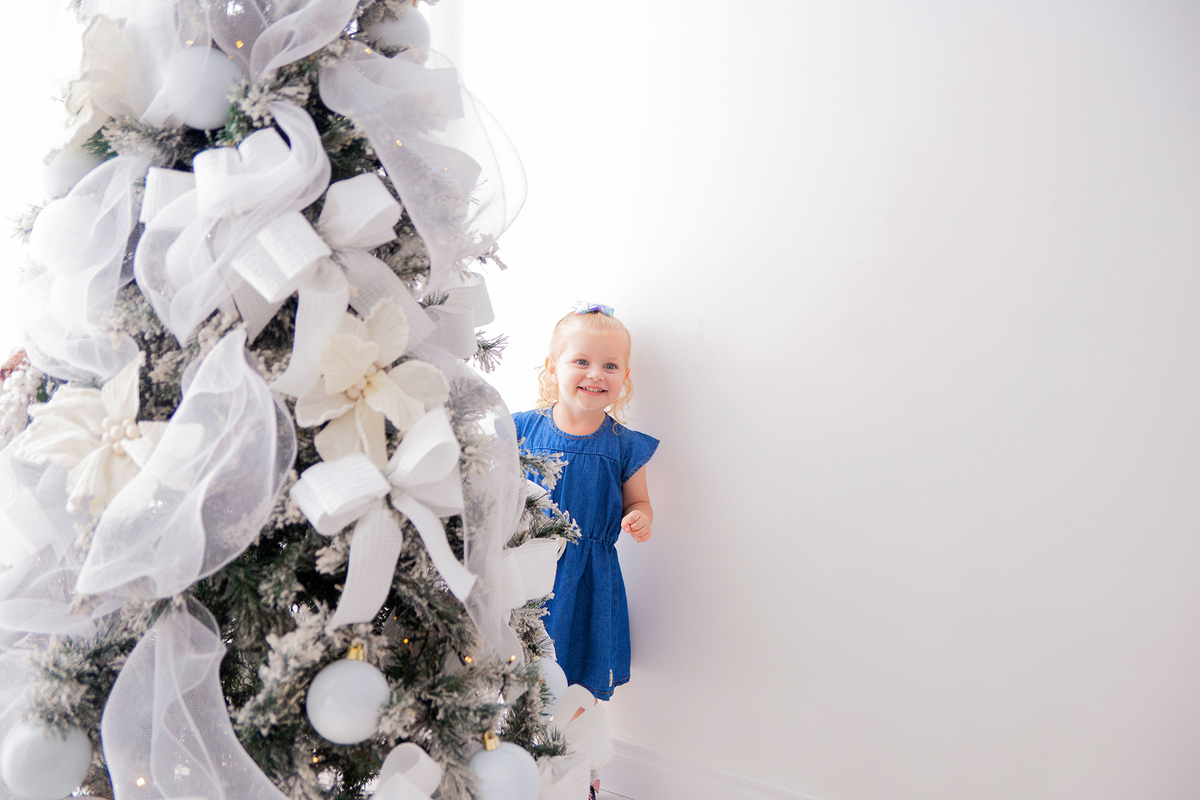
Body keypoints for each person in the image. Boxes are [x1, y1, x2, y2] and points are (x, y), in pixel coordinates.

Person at [512, 303, 658, 702]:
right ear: (553, 367)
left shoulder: (624, 445)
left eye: (610, 366)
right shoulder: (520, 429)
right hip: (527, 568)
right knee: (516, 667)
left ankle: (570, 749)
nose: (596, 374)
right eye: (582, 361)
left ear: (624, 378)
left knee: (575, 674)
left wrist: (638, 518)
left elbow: (639, 502)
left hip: (589, 577)